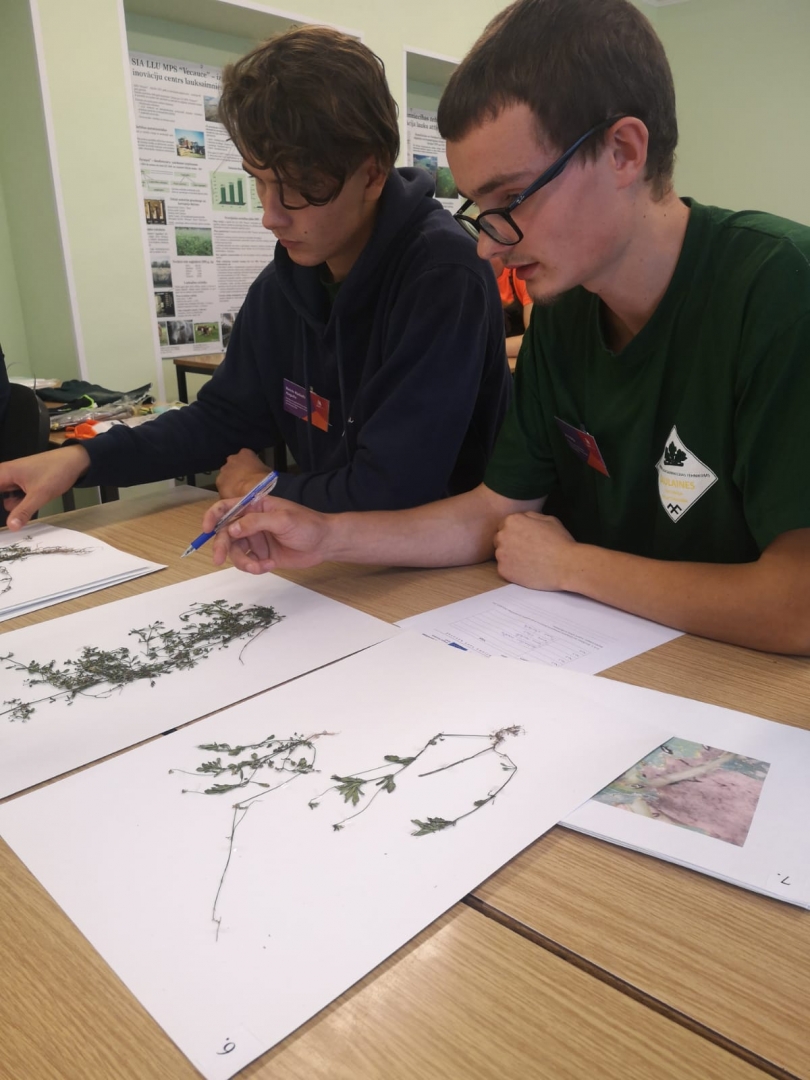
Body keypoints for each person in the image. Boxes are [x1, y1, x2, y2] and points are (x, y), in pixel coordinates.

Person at [200, 0, 810, 657]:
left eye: (512, 199)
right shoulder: (566, 307)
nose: (489, 247)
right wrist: (327, 536)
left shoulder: (778, 288)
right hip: (621, 657)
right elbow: (495, 510)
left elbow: (798, 606)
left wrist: (574, 566)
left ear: (623, 151)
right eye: (479, 209)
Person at [0, 26, 510, 528]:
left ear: (372, 174)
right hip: (332, 548)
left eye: (300, 187)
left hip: (447, 563)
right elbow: (222, 417)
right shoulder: (284, 284)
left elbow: (395, 488)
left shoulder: (443, 276)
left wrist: (261, 487)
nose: (270, 216)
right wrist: (82, 459)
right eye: (259, 182)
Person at [491, 256, 532, 370]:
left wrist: (485, 349)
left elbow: (534, 339)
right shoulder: (469, 283)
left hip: (523, 365)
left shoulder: (520, 276)